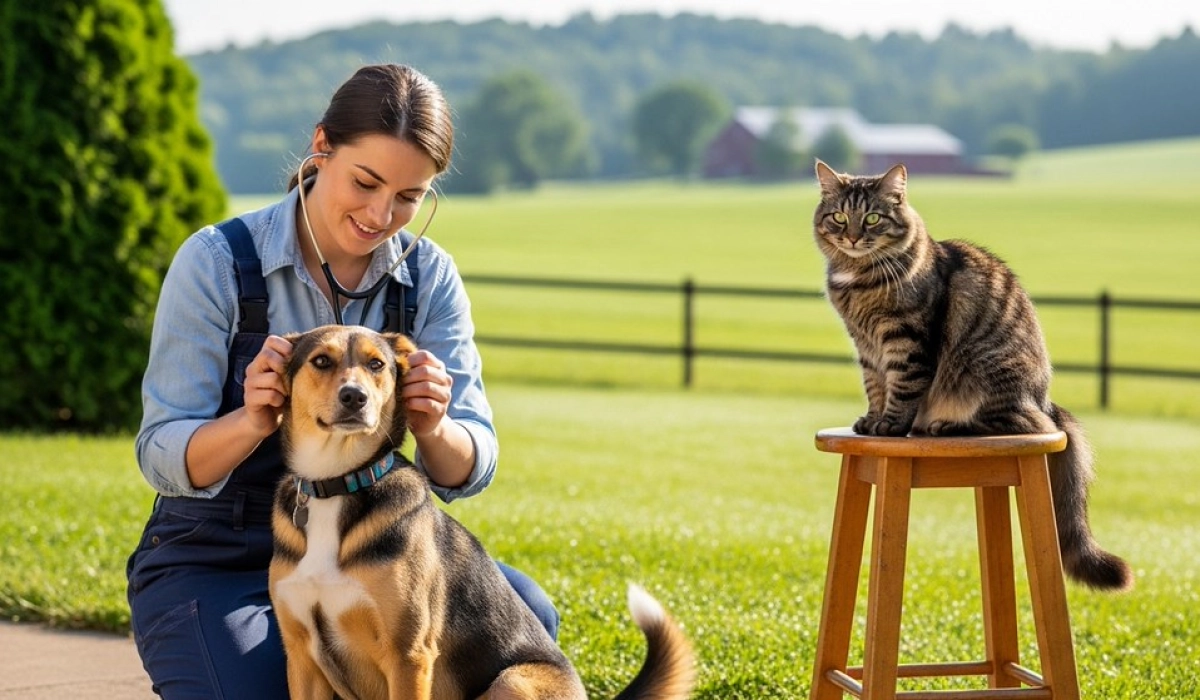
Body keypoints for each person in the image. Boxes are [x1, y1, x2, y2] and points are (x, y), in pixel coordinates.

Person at [126, 63, 558, 699]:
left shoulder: (429, 278)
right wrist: (251, 419)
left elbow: (474, 462)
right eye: (366, 181)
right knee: (256, 689)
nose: (383, 213)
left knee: (527, 617)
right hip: (217, 549)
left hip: (372, 533)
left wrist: (435, 425)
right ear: (321, 147)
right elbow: (160, 453)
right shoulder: (217, 263)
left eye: (410, 197)